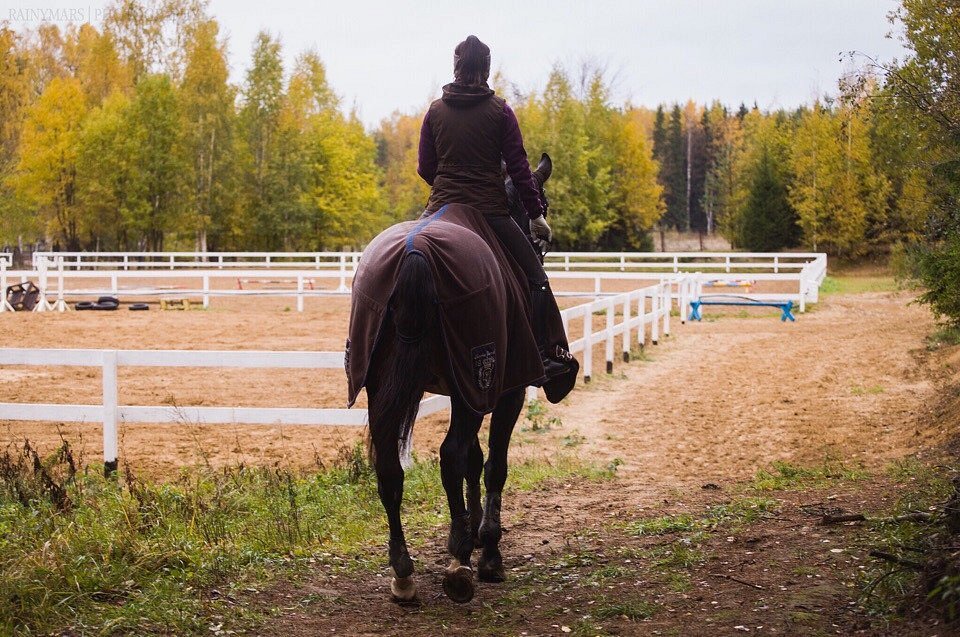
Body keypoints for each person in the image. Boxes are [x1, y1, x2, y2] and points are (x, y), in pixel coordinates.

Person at [417, 34, 573, 381]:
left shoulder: (435, 111)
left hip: (439, 207)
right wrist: (535, 215)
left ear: (455, 67)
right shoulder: (500, 111)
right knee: (537, 278)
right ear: (486, 69)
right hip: (490, 209)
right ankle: (550, 356)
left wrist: (448, 189)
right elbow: (519, 170)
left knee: (408, 248)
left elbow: (425, 168)